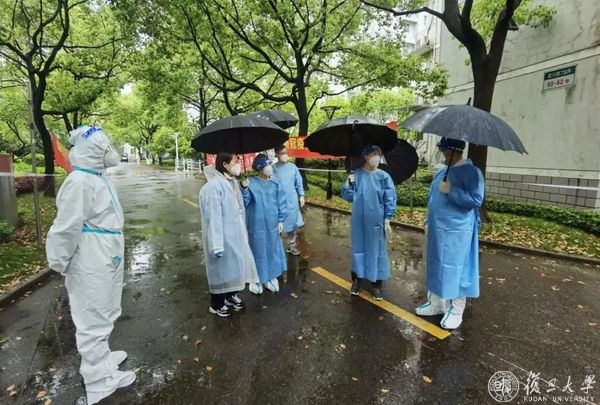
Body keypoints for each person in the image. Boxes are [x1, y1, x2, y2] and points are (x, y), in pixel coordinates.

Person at [46, 126, 136, 405]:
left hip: (104, 252)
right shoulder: (80, 182)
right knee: (93, 312)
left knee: (106, 307)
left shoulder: (96, 177)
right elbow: (66, 227)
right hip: (91, 256)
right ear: (93, 151)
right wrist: (59, 260)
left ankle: (102, 358)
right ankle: (98, 381)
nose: (111, 152)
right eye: (105, 147)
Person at [415, 137, 484, 330]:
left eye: (445, 151)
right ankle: (436, 303)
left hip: (457, 231)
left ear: (454, 151)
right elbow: (434, 197)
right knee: (436, 264)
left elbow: (475, 200)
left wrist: (452, 191)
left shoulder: (472, 172)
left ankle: (456, 310)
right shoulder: (443, 171)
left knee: (457, 267)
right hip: (438, 228)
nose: (443, 154)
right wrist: (428, 219)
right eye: (442, 151)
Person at [199, 152, 259, 317]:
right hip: (223, 237)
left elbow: (240, 207)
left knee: (235, 267)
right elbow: (213, 217)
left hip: (236, 233)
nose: (238, 164)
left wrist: (244, 189)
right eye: (235, 161)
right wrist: (216, 244)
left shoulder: (232, 182)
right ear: (225, 164)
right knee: (221, 270)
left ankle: (230, 295)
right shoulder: (214, 186)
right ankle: (216, 304)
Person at [341, 145, 397, 301]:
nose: (377, 157)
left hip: (376, 222)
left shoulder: (384, 177)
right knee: (358, 250)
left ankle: (376, 285)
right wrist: (349, 184)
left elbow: (390, 199)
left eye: (379, 154)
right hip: (359, 220)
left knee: (377, 251)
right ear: (365, 156)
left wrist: (387, 219)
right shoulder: (356, 175)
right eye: (373, 154)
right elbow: (347, 196)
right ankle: (357, 281)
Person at [242, 154, 288, 294]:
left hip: (272, 224)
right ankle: (256, 279)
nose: (270, 168)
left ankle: (271, 276)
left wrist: (281, 220)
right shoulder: (250, 183)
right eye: (267, 165)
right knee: (257, 250)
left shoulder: (275, 183)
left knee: (272, 250)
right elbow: (245, 202)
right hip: (256, 225)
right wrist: (244, 189)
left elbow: (282, 202)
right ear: (260, 168)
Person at [272, 145, 305, 256]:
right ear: (276, 154)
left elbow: (298, 181)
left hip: (292, 200)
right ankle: (276, 247)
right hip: (277, 201)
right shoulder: (272, 168)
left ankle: (292, 244)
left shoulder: (292, 167)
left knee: (292, 223)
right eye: (282, 153)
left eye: (286, 152)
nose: (285, 155)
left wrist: (301, 195)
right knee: (277, 224)